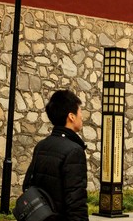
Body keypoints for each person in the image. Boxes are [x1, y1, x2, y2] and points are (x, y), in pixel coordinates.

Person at [22, 90, 88, 221]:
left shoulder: (41, 146)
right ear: (71, 116)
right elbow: (76, 202)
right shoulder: (74, 151)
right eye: (80, 111)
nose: (82, 116)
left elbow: (27, 185)